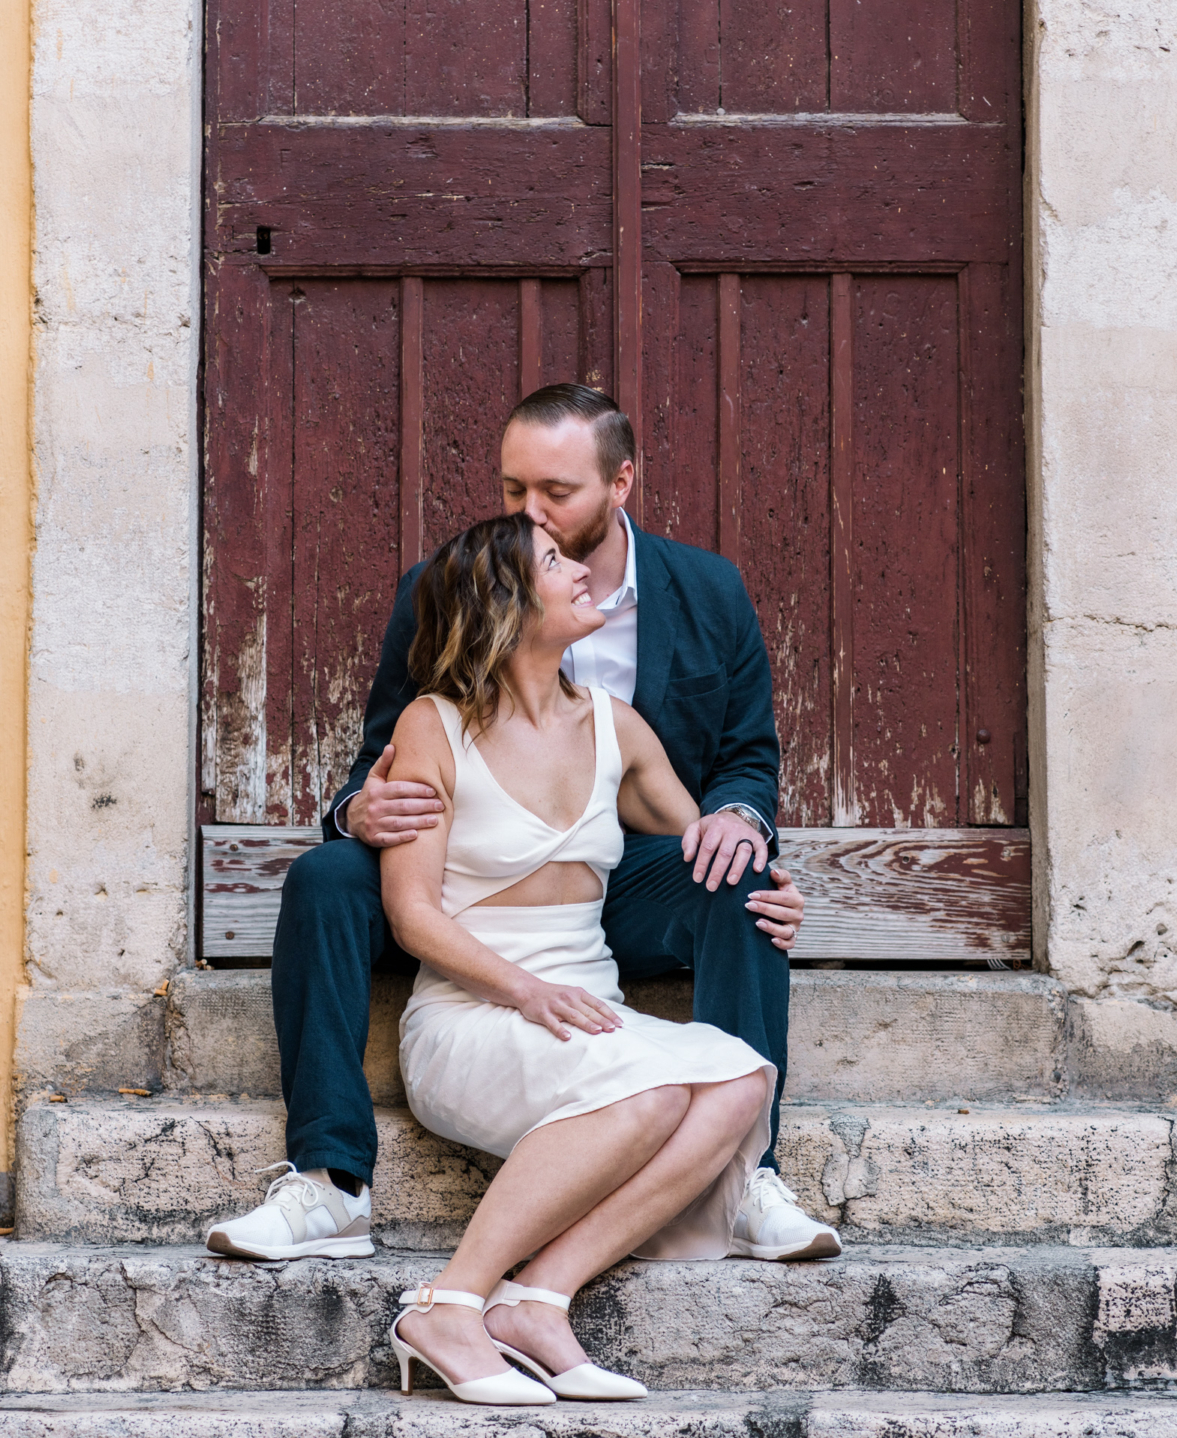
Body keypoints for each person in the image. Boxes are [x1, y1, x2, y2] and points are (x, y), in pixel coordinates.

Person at [205, 384, 838, 1265]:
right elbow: (385, 748)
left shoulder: (705, 590)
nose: (529, 509)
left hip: (620, 877)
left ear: (621, 483)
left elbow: (745, 755)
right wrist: (358, 806)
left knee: (739, 879)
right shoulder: (444, 587)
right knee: (325, 877)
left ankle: (747, 1185)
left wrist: (747, 838)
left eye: (555, 492)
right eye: (513, 491)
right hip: (461, 877)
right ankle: (329, 1183)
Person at [382, 511, 788, 1405]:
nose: (579, 571)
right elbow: (411, 913)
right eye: (555, 562)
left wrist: (764, 882)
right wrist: (523, 992)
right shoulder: (433, 727)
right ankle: (447, 1305)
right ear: (504, 603)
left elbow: (703, 856)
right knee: (644, 1089)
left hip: (588, 1018)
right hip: (473, 1017)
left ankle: (539, 1297)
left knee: (739, 1080)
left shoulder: (615, 727)